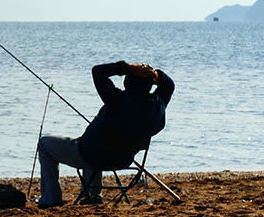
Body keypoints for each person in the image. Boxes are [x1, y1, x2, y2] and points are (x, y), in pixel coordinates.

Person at [37, 62, 174, 208]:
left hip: (92, 155)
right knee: (96, 144)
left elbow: (98, 71)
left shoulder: (116, 99)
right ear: (151, 84)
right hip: (123, 160)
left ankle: (51, 199)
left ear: (127, 81)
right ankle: (93, 196)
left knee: (45, 143)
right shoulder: (157, 106)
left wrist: (127, 67)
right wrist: (156, 75)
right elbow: (169, 85)